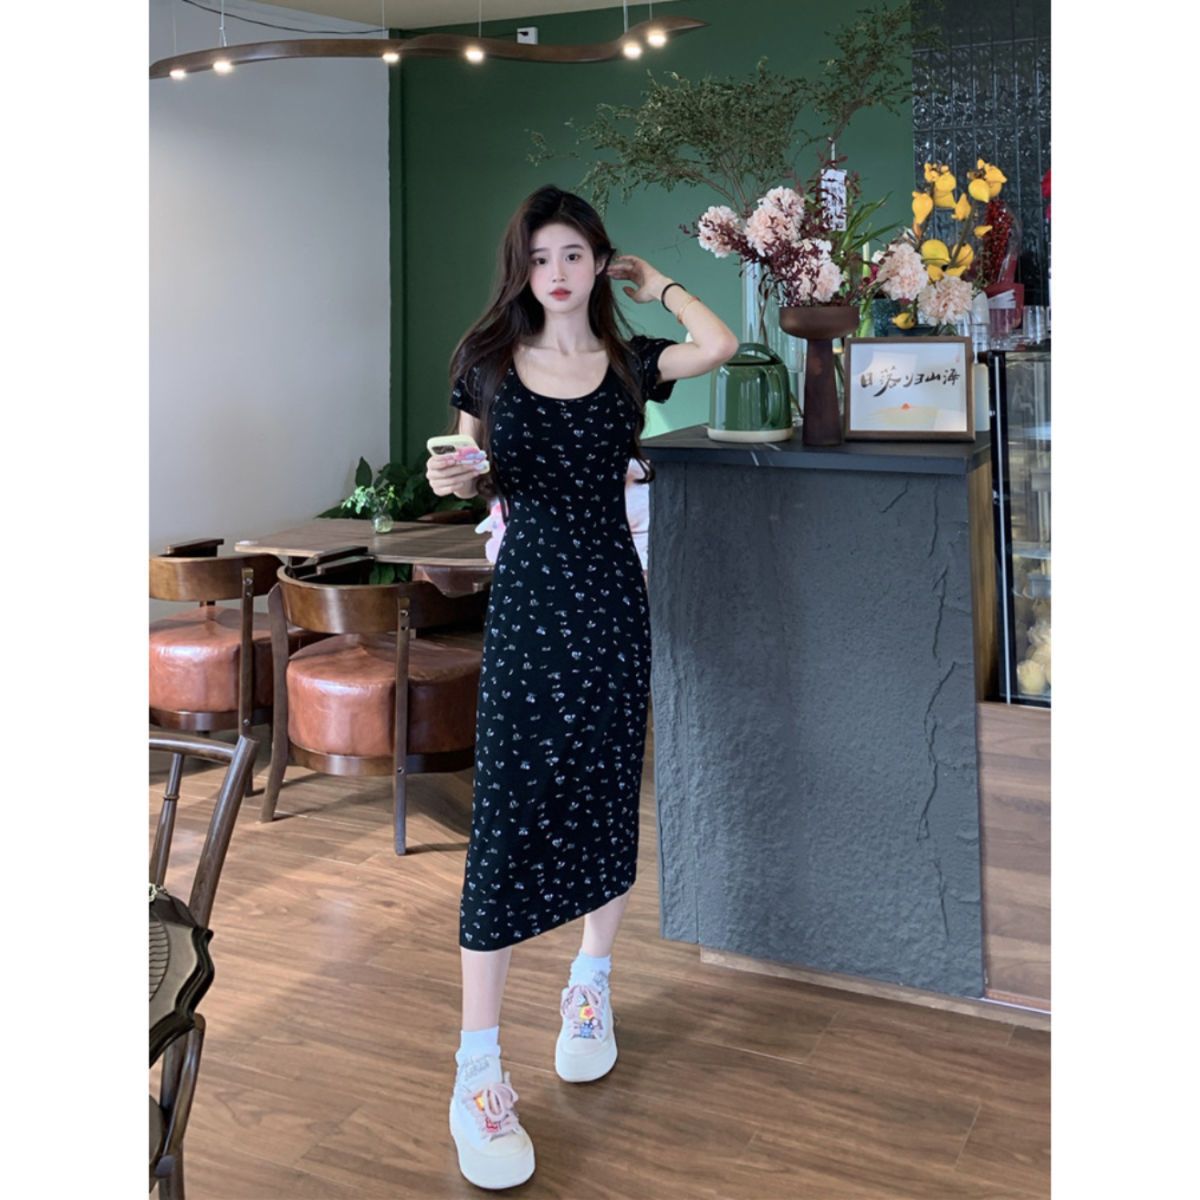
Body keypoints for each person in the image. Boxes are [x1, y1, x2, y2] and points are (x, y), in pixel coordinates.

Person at [426, 184, 737, 1190]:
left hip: (612, 610)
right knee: (507, 823)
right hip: (528, 612)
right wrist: (456, 480)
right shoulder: (485, 363)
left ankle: (591, 984)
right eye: (540, 256)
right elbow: (465, 470)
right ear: (520, 268)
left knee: (606, 799)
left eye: (574, 254)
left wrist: (662, 282)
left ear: (598, 262)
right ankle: (478, 1071)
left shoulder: (630, 364)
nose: (555, 272)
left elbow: (721, 343)